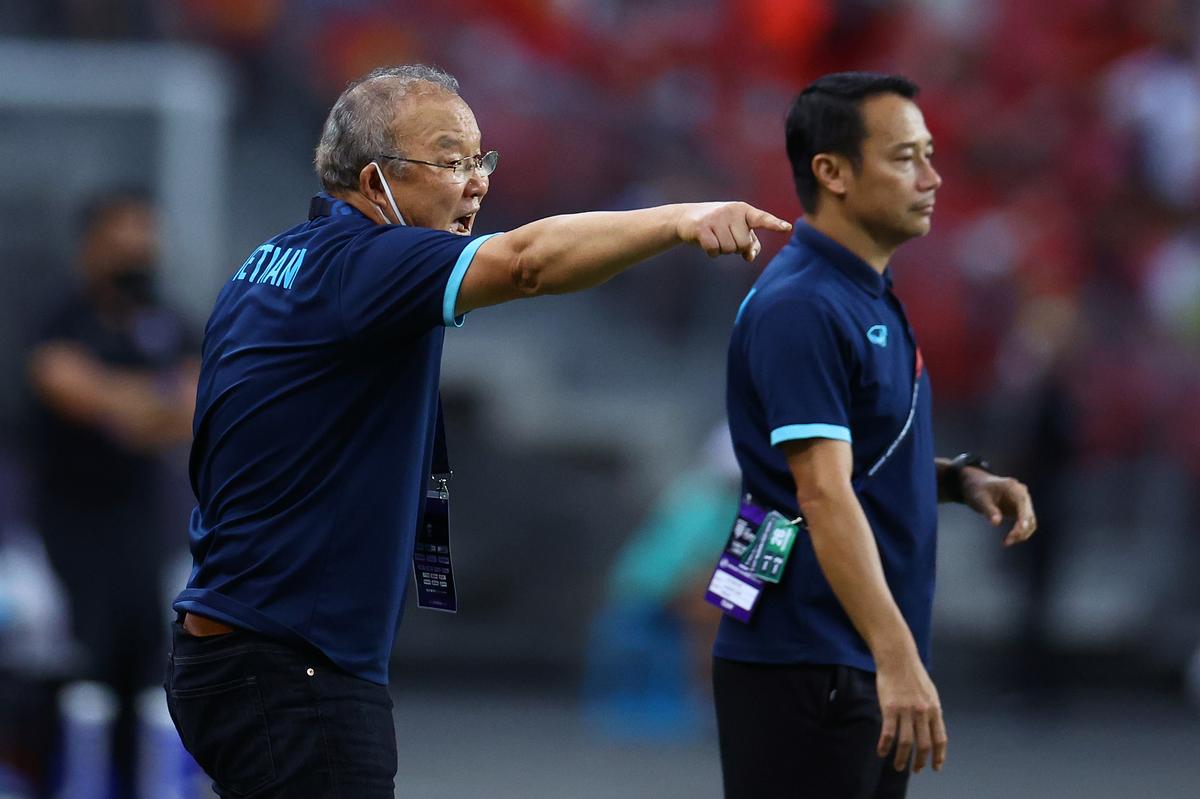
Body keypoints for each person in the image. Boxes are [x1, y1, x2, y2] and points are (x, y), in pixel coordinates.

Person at [163, 63, 791, 798]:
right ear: (375, 184)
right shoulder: (368, 264)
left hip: (231, 644)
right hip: (291, 664)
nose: (478, 182)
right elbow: (526, 262)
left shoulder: (267, 263)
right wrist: (677, 218)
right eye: (450, 160)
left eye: (481, 158)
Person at [711, 72, 1038, 799]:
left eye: (929, 153)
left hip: (842, 656)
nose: (932, 176)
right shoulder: (803, 306)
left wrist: (957, 477)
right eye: (904, 157)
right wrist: (897, 658)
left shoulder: (865, 293)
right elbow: (821, 493)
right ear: (832, 172)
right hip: (809, 660)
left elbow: (855, 461)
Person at [26, 190, 199, 797]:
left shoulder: (170, 322)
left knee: (145, 669)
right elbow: (66, 387)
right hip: (62, 525)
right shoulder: (60, 318)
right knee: (75, 669)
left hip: (145, 525)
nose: (138, 246)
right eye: (123, 232)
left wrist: (122, 402)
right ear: (92, 244)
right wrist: (142, 403)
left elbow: (194, 405)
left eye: (146, 232)